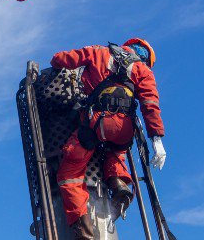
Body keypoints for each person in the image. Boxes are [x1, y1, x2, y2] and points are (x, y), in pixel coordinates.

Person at [50, 38, 167, 239]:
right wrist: (157, 140)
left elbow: (61, 59)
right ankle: (119, 183)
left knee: (70, 173)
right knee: (116, 153)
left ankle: (83, 229)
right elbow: (150, 105)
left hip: (96, 124)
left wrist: (58, 64)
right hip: (124, 129)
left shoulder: (99, 52)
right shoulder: (143, 70)